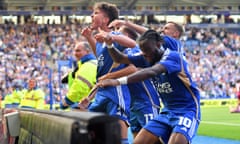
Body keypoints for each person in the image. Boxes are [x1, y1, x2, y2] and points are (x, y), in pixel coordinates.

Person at [98, 30, 201, 144]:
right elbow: (120, 58)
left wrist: (116, 81)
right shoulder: (148, 56)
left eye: (147, 50)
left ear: (158, 44)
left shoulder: (173, 57)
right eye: (142, 51)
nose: (145, 54)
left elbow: (152, 71)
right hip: (167, 111)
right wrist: (109, 44)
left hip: (187, 110)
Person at [81, 2, 136, 144]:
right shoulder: (100, 40)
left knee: (119, 137)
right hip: (101, 92)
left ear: (105, 20)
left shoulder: (115, 35)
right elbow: (100, 55)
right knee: (94, 135)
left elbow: (133, 44)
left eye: (96, 13)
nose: (92, 15)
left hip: (116, 91)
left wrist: (110, 37)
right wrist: (89, 38)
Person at [99, 25, 160, 137]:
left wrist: (110, 76)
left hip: (146, 101)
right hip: (133, 103)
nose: (115, 34)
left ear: (126, 36)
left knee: (153, 137)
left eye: (118, 32)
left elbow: (133, 69)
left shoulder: (134, 50)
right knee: (138, 138)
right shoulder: (123, 53)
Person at [59, 41, 97, 109]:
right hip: (86, 103)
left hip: (87, 105)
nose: (75, 53)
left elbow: (80, 86)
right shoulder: (83, 65)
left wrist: (67, 101)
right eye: (74, 51)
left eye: (78, 51)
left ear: (87, 51)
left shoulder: (88, 66)